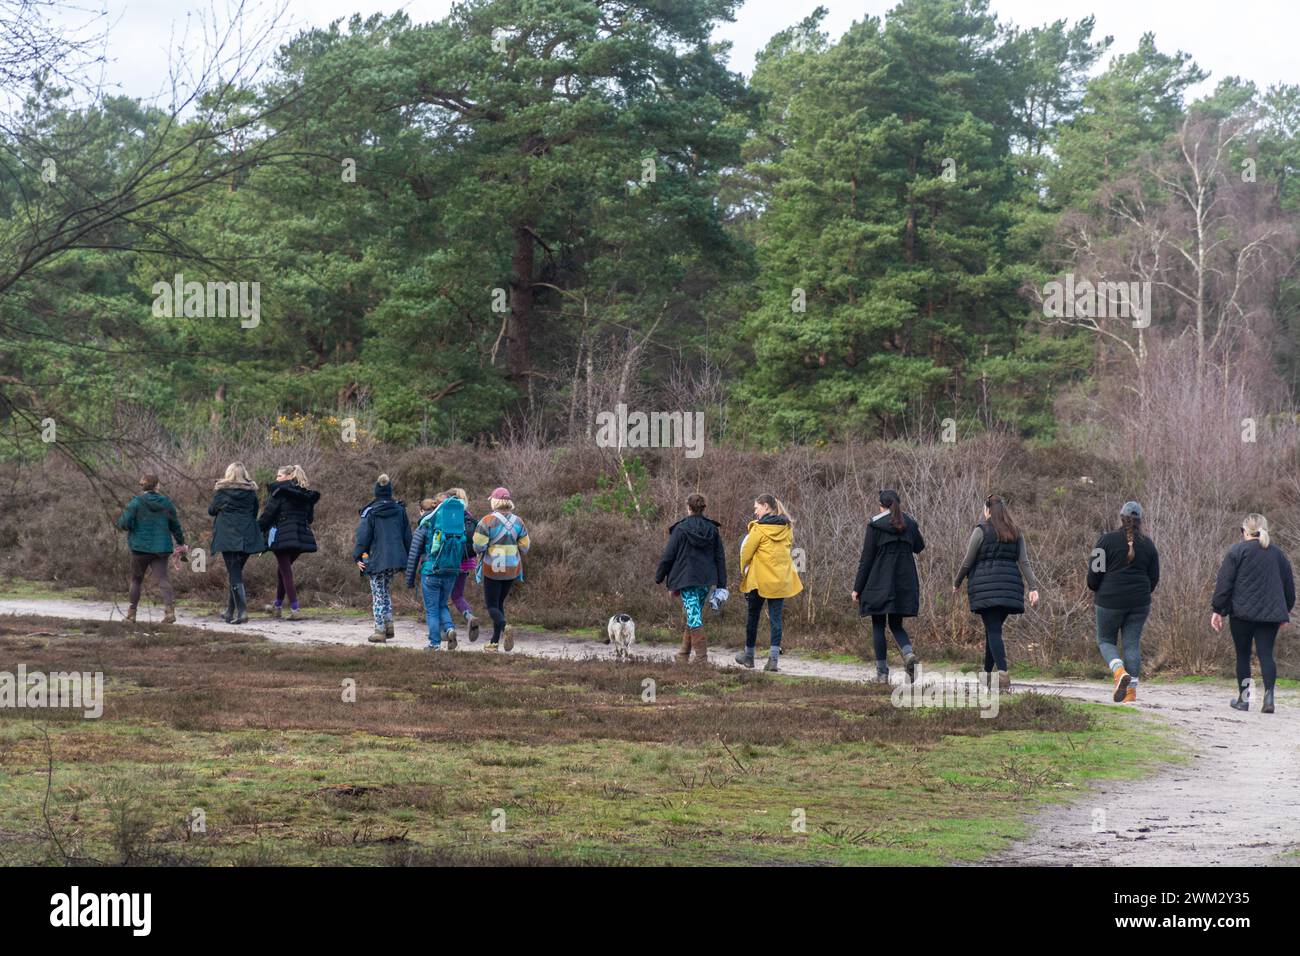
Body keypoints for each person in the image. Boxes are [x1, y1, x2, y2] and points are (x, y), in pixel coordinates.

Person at [952, 494, 1039, 692]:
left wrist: (956, 582)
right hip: (1010, 589)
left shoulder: (981, 530)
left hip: (985, 588)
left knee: (993, 630)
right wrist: (1033, 587)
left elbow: (968, 560)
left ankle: (1003, 675)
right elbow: (1024, 562)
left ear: (987, 510)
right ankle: (986, 674)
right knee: (993, 630)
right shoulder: (1016, 532)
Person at [1211, 513, 1294, 714]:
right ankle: (1269, 699)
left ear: (1244, 532)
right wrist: (1285, 611)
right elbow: (1289, 588)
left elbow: (1224, 584)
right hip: (1270, 615)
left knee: (1243, 655)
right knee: (1266, 654)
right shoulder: (1278, 555)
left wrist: (1218, 610)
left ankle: (1244, 700)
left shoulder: (1236, 552)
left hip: (1241, 614)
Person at [1087, 501, 1160, 703]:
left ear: (1121, 518)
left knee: (1105, 640)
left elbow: (1094, 574)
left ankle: (1119, 671)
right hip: (1139, 601)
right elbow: (1154, 577)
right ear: (1140, 521)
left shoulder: (1105, 541)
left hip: (1109, 600)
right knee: (1131, 644)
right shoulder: (1149, 544)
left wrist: (1097, 588)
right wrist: (1143, 593)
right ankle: (1130, 694)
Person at [852, 489, 925, 683]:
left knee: (878, 624)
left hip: (879, 581)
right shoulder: (909, 523)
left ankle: (882, 674)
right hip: (904, 581)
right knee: (895, 624)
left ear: (881, 506)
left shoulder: (875, 525)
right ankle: (908, 654)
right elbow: (919, 546)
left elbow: (866, 559)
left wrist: (857, 588)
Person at [655, 492, 727, 665]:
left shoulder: (680, 529)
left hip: (686, 580)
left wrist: (659, 576)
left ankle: (701, 659)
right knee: (693, 614)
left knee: (693, 615)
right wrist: (722, 584)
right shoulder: (712, 529)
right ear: (703, 508)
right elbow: (720, 557)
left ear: (688, 508)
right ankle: (682, 655)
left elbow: (669, 555)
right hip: (706, 580)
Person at [736, 493, 802, 671]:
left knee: (753, 616)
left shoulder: (758, 529)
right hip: (780, 581)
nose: (755, 512)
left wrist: (744, 569)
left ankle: (749, 656)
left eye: (756, 508)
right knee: (776, 619)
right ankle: (773, 660)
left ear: (766, 506)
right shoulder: (787, 528)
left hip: (759, 580)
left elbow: (746, 553)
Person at [116, 473, 187, 623]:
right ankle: (169, 612)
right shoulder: (166, 503)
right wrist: (181, 542)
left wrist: (131, 526)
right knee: (162, 579)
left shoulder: (136, 502)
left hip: (140, 548)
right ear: (157, 486)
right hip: (161, 549)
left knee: (136, 580)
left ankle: (131, 614)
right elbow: (175, 525)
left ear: (142, 486)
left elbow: (123, 523)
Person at [354, 473, 413, 643]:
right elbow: (407, 536)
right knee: (385, 591)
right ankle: (389, 626)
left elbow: (363, 536)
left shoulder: (370, 512)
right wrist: (410, 559)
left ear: (376, 492)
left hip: (377, 559)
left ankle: (379, 630)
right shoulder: (400, 510)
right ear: (389, 491)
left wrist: (357, 556)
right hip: (396, 559)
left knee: (378, 593)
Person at [405, 490, 468, 650]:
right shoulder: (454, 525)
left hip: (431, 572)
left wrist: (409, 579)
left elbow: (413, 555)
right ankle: (450, 629)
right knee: (442, 605)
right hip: (451, 572)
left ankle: (434, 643)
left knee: (432, 610)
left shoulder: (426, 524)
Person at [472, 487, 531, 652]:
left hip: (493, 569)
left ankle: (505, 627)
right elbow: (525, 547)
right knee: (499, 605)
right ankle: (494, 642)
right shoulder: (518, 522)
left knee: (491, 606)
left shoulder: (487, 521)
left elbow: (478, 546)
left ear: (494, 501)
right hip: (512, 569)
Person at [258, 464, 320, 620]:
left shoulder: (279, 492)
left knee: (285, 572)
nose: (276, 479)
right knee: (282, 570)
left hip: (282, 535)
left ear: (289, 476)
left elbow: (268, 515)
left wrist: (256, 528)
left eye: (279, 476)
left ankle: (295, 609)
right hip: (300, 537)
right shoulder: (306, 494)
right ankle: (277, 606)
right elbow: (310, 518)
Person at [208, 462, 265, 625]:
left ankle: (242, 612)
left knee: (234, 573)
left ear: (229, 474)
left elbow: (211, 511)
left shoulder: (222, 492)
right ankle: (229, 611)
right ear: (244, 474)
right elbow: (254, 513)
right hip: (248, 535)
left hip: (228, 536)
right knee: (236, 572)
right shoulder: (251, 493)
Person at [443, 488, 482, 642]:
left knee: (441, 597)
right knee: (457, 595)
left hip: (449, 562)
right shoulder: (468, 515)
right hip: (466, 563)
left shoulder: (447, 514)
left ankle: (446, 629)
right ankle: (469, 616)